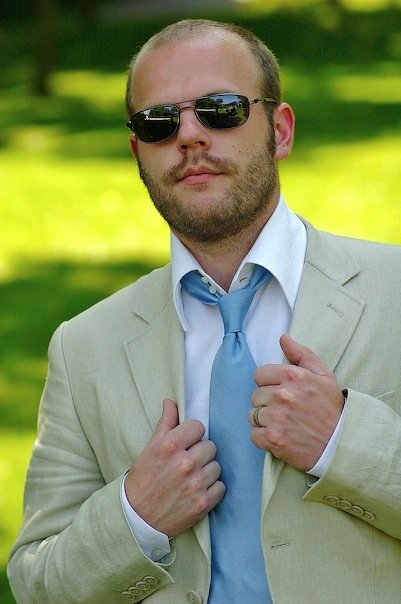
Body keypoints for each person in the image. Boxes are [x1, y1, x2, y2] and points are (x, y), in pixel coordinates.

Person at [7, 18, 401, 604]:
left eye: (221, 110)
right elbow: (37, 584)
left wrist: (342, 442)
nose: (189, 136)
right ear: (138, 152)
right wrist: (136, 518)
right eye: (158, 122)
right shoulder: (82, 347)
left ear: (280, 130)